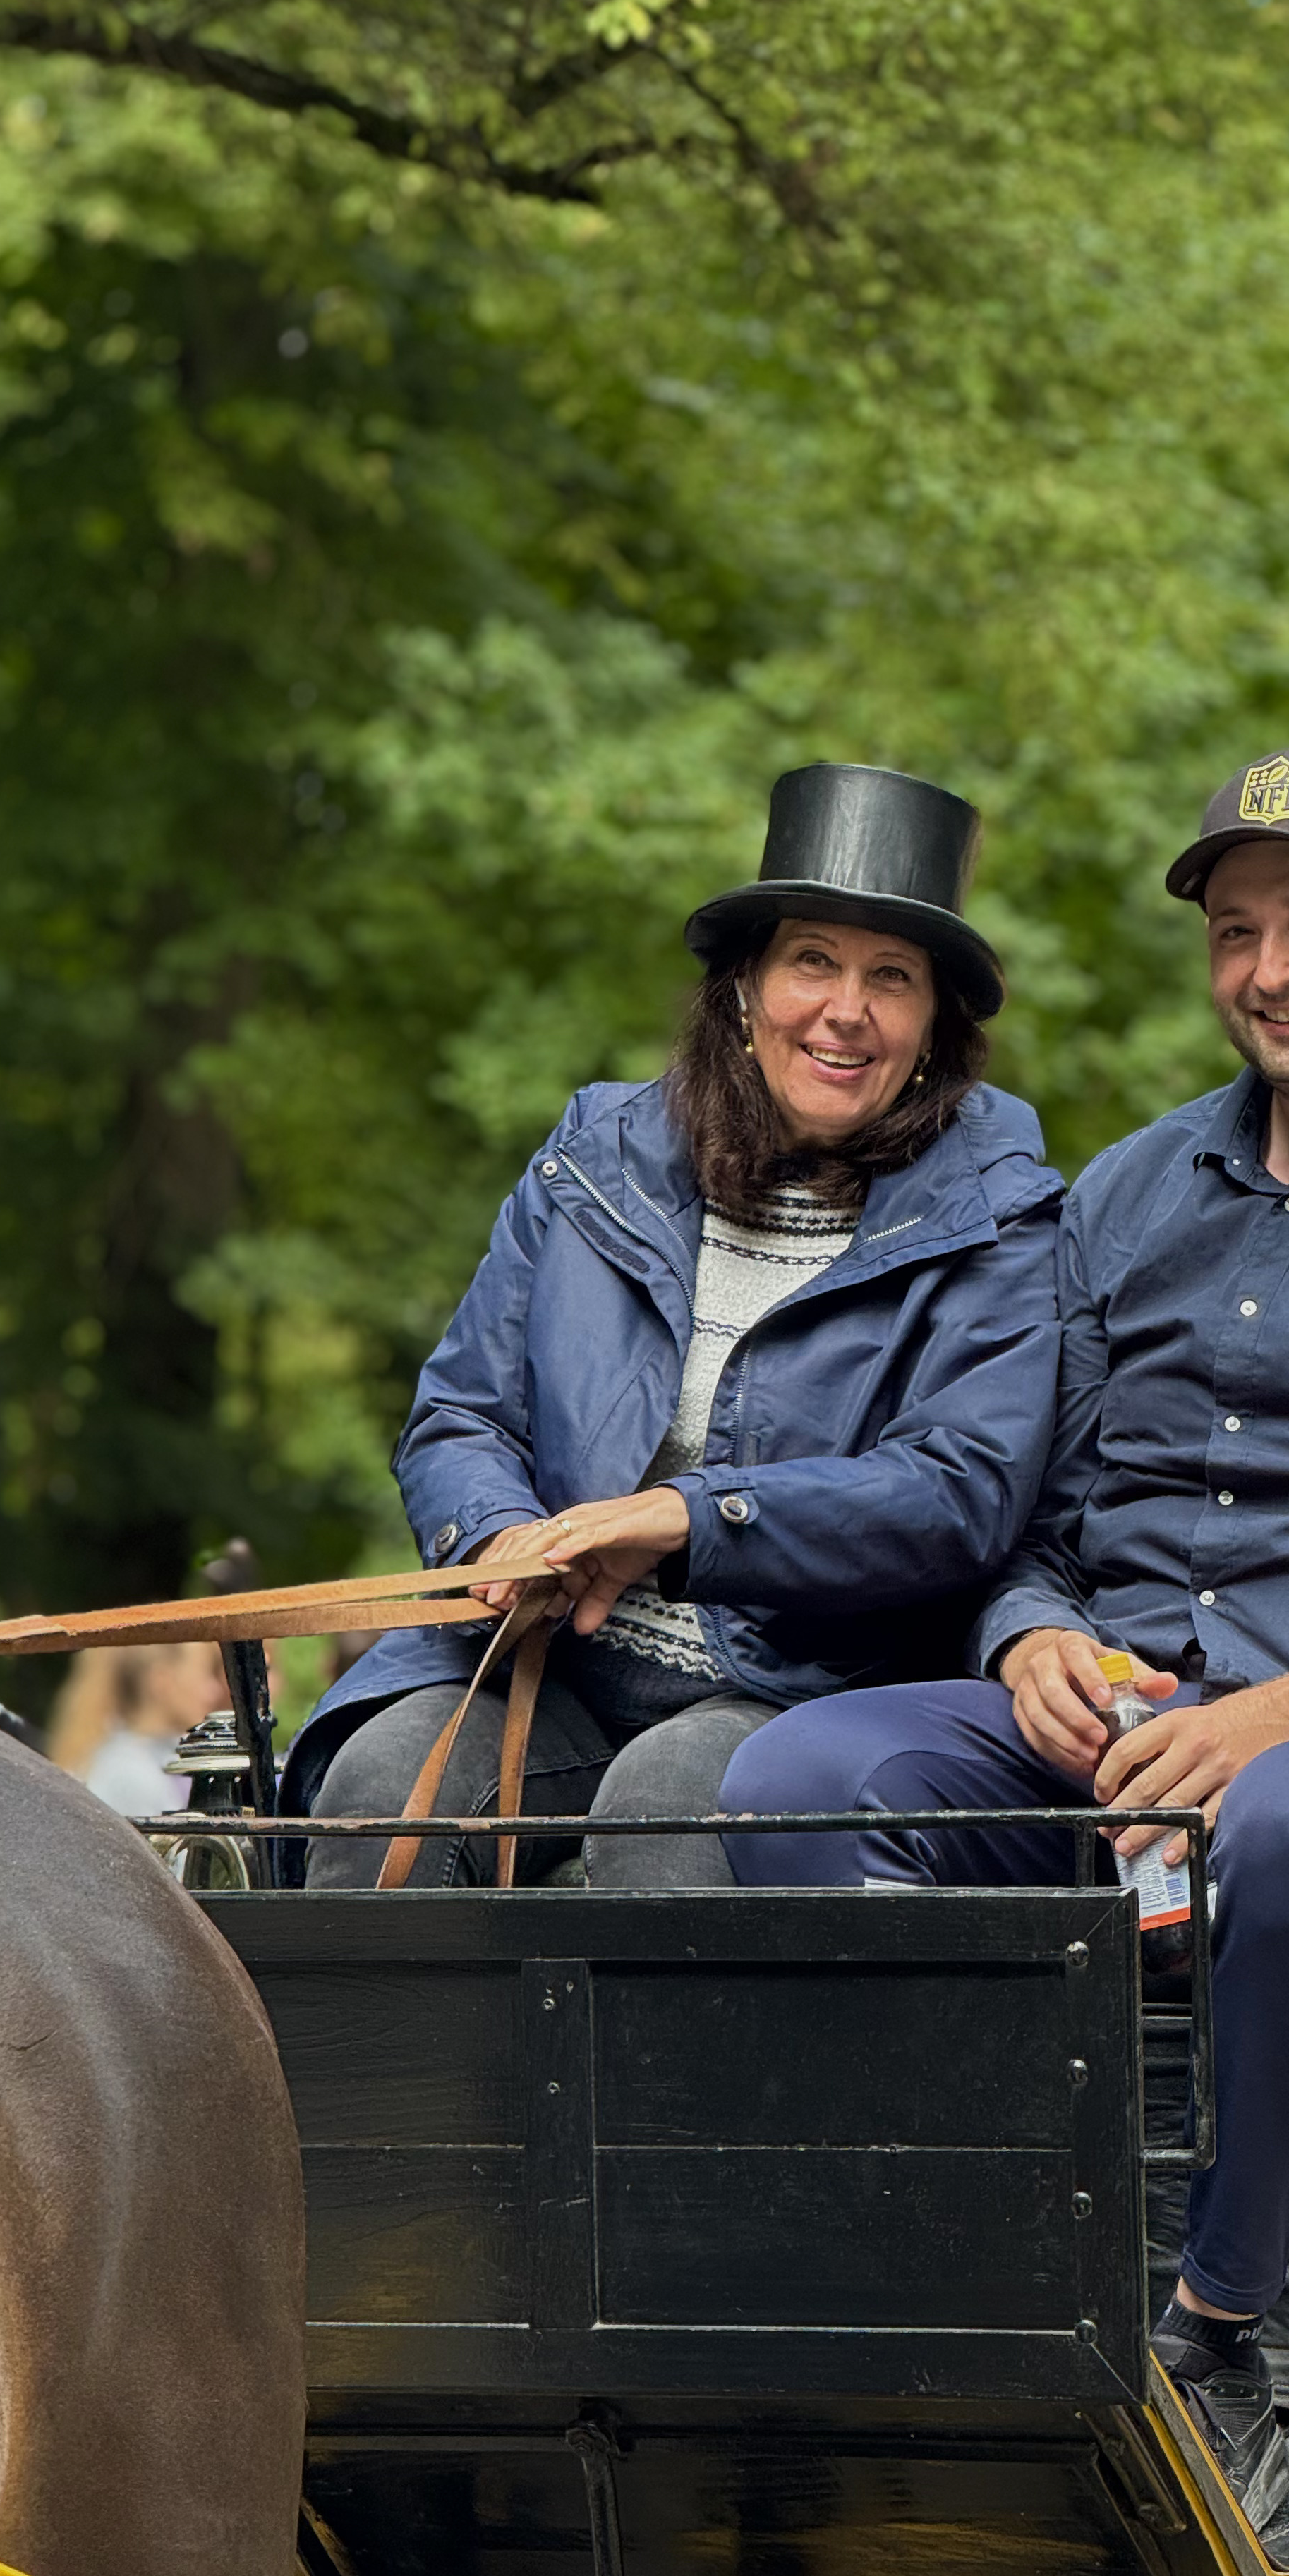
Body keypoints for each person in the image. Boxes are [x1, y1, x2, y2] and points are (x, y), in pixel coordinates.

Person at [718, 750, 1289, 2534]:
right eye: (1238, 933)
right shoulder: (1129, 1196)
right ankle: (976, 2272)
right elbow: (1034, 1526)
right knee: (799, 1774)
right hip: (1131, 1720)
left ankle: (1220, 2336)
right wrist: (1029, 1643)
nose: (1272, 968)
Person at [291, 762, 1063, 1886]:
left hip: (803, 1691)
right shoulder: (592, 1158)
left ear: (934, 1024)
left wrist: (690, 1518)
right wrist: (503, 1537)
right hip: (552, 1665)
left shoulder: (1001, 1209)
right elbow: (460, 1413)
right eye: (813, 961)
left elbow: (962, 1490)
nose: (846, 1010)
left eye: (891, 977)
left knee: (662, 1814)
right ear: (745, 991)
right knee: (379, 1792)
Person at [47, 1641, 230, 1820]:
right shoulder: (130, 1775)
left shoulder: (152, 1759)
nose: (214, 1691)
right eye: (205, 1675)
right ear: (162, 1681)